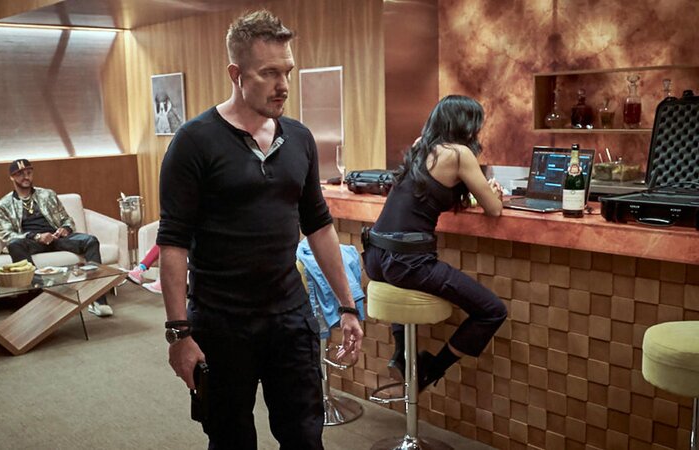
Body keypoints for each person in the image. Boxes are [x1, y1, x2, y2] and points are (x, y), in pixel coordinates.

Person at [157, 10, 363, 450]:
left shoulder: (300, 139)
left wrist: (348, 306)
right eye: (268, 73)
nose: (283, 84)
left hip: (289, 316)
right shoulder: (194, 142)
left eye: (286, 71)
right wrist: (179, 333)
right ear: (236, 74)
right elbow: (173, 243)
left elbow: (319, 225)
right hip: (221, 321)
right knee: (231, 439)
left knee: (305, 436)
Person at [363, 95, 508, 391]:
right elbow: (494, 210)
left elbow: (432, 193)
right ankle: (431, 370)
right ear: (466, 125)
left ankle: (402, 355)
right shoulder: (459, 154)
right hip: (408, 262)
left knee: (401, 281)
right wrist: (492, 193)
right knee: (492, 310)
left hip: (375, 257)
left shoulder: (421, 146)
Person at [0, 159, 113, 317]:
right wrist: (37, 236)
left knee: (90, 240)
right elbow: (6, 234)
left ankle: (98, 300)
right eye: (20, 174)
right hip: (31, 242)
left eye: (29, 173)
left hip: (56, 238)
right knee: (14, 245)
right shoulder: (4, 205)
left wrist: (65, 229)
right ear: (12, 177)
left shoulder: (47, 195)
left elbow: (67, 219)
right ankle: (39, 301)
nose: (26, 177)